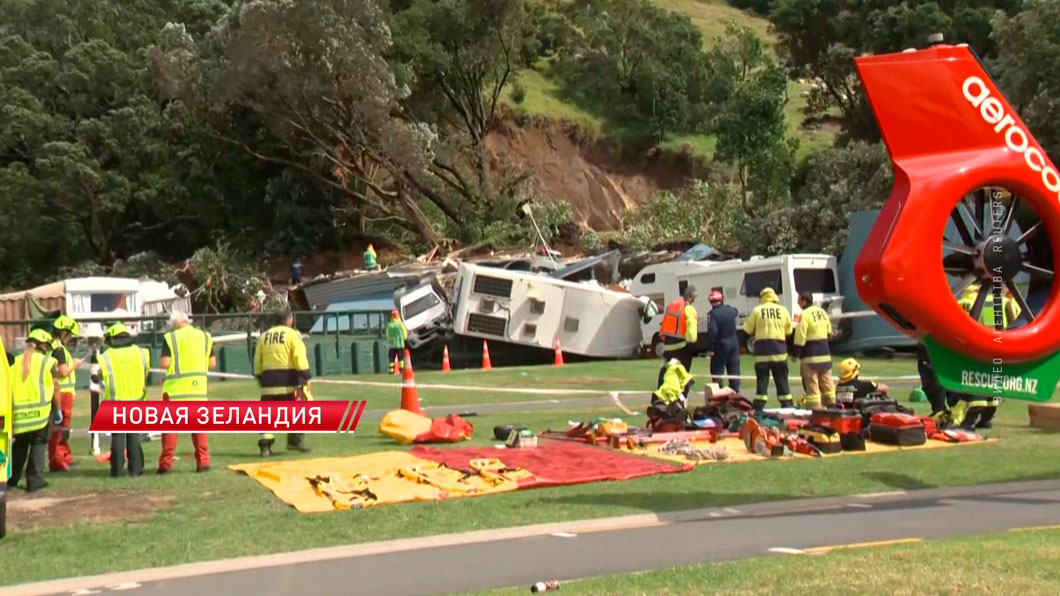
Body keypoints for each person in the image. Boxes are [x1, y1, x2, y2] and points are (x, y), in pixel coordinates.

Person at [157, 311, 215, 474]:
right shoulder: (205, 337)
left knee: (170, 428)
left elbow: (165, 363)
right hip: (198, 390)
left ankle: (166, 464)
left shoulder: (171, 338)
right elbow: (212, 363)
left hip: (175, 391)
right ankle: (203, 462)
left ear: (175, 324)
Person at [254, 306, 312, 456]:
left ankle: (265, 447)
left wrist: (260, 376)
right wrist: (305, 376)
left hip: (269, 384)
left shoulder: (264, 336)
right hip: (289, 383)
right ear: (289, 320)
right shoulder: (293, 335)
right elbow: (299, 357)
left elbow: (257, 362)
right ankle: (295, 440)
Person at [9, 329, 60, 492]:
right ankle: (35, 480)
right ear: (44, 346)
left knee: (19, 448)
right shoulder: (48, 362)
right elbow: (56, 387)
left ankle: (11, 479)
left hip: (18, 415)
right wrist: (57, 409)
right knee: (38, 445)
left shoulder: (15, 362)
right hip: (41, 415)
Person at [98, 323, 149, 477]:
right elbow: (146, 372)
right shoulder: (141, 353)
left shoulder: (106, 356)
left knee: (118, 437)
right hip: (136, 398)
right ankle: (135, 470)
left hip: (115, 400)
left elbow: (101, 376)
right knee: (134, 436)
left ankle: (117, 471)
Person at [743, 287, 793, 410]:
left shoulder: (757, 310)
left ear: (762, 297)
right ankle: (787, 405)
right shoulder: (783, 310)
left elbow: (747, 329)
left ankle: (758, 408)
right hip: (779, 352)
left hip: (762, 353)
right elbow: (789, 330)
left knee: (762, 383)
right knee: (782, 381)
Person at [48, 315, 83, 472]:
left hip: (64, 393)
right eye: (70, 335)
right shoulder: (58, 349)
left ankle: (65, 457)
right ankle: (57, 461)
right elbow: (63, 372)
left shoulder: (56, 347)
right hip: (62, 394)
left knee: (63, 428)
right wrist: (75, 365)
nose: (71, 339)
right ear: (64, 333)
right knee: (60, 429)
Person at [792, 292, 834, 409]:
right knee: (827, 385)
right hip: (825, 356)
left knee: (812, 387)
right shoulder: (822, 312)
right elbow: (829, 332)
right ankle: (833, 408)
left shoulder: (804, 315)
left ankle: (816, 412)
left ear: (804, 301)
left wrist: (795, 354)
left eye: (799, 300)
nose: (797, 302)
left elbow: (800, 337)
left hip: (810, 358)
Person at [657, 285, 698, 387]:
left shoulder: (671, 305)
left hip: (667, 346)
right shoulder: (689, 309)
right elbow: (691, 336)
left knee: (668, 372)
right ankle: (681, 398)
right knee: (682, 375)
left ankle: (661, 393)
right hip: (681, 347)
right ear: (691, 296)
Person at [705, 289, 740, 393]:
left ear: (711, 302)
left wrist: (711, 348)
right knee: (734, 369)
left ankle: (719, 392)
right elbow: (736, 311)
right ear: (722, 299)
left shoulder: (712, 314)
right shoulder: (730, 310)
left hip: (721, 345)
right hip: (734, 343)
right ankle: (735, 392)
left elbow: (712, 331)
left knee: (717, 371)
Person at [386, 310, 408, 374]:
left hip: (392, 344)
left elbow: (387, 335)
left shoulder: (389, 325)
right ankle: (401, 370)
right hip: (400, 344)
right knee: (400, 357)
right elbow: (404, 334)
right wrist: (403, 338)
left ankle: (391, 371)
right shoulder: (400, 324)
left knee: (391, 358)